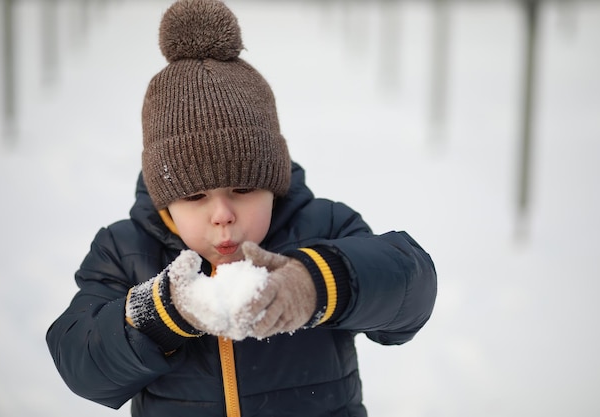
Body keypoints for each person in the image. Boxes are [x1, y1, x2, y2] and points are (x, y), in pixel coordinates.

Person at [46, 0, 437, 416]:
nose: (222, 214)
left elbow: (411, 290)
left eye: (244, 187)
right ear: (165, 196)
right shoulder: (124, 251)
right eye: (195, 196)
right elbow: (81, 363)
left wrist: (316, 284)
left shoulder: (323, 227)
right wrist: (162, 311)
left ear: (274, 181)